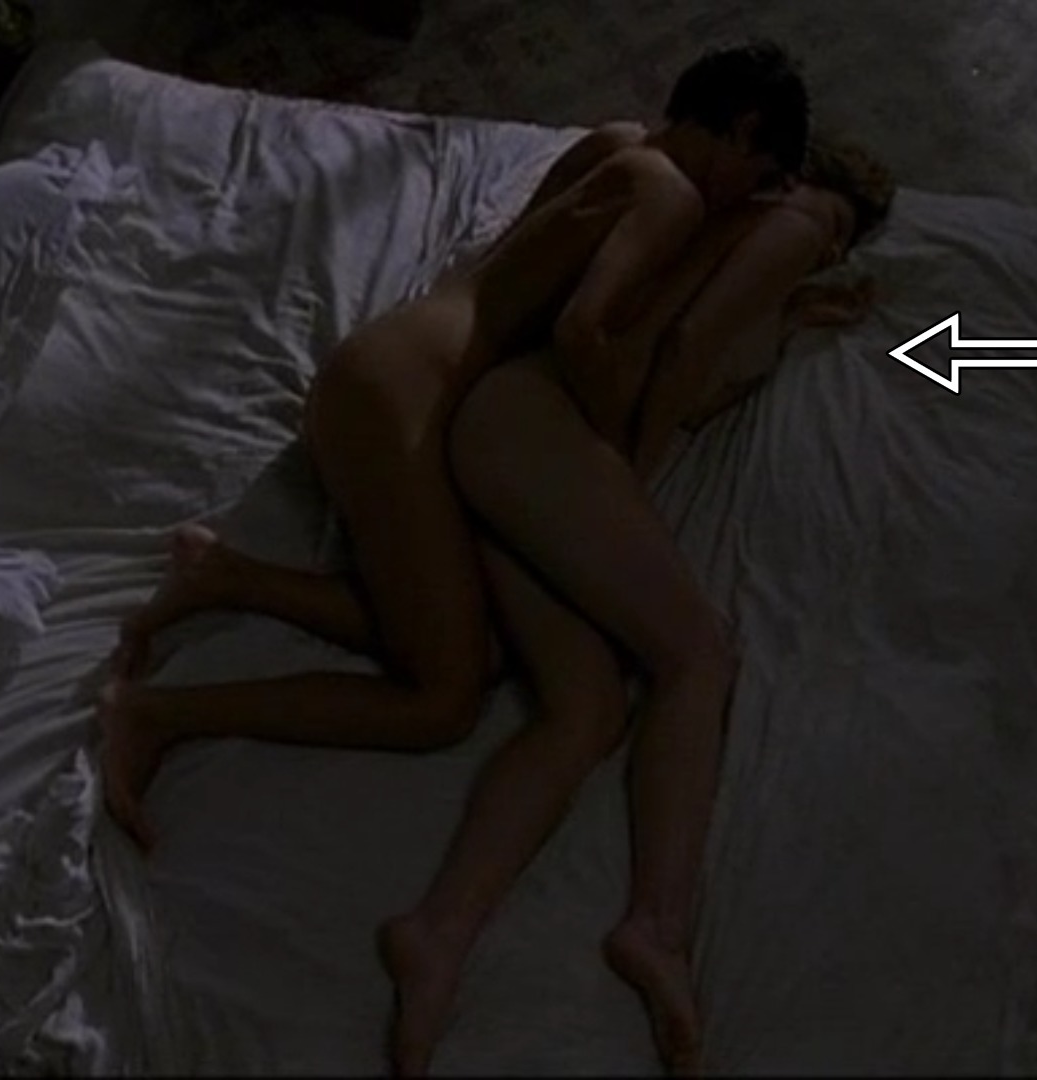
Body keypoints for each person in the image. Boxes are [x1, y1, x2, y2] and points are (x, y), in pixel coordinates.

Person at [96, 42, 810, 852]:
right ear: (743, 128)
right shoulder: (672, 195)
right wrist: (613, 455)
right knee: (442, 702)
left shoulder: (617, 143)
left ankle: (225, 575)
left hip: (396, 363)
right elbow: (583, 331)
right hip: (399, 399)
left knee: (479, 643)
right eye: (757, 175)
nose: (744, 197)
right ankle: (157, 713)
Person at [382, 138, 896, 1076]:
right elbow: (686, 349)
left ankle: (438, 931)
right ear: (811, 193)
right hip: (539, 433)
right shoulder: (791, 221)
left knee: (584, 712)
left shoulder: (777, 263)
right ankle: (658, 925)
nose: (829, 247)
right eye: (837, 226)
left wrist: (796, 317)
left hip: (510, 439)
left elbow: (701, 339)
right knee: (699, 655)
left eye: (839, 243)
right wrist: (630, 475)